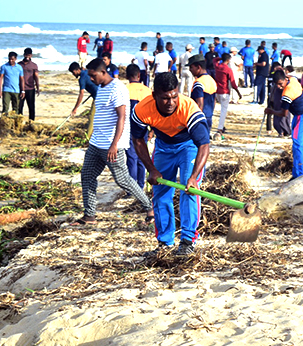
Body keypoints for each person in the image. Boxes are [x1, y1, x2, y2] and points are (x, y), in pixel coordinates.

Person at [131, 72, 210, 256]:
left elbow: (204, 145)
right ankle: (165, 243)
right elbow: (138, 141)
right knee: (160, 194)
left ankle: (187, 241)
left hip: (189, 147)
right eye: (165, 98)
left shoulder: (189, 109)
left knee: (188, 189)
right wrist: (151, 170)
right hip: (163, 147)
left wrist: (192, 177)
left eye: (174, 96)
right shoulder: (142, 110)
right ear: (154, 95)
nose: (171, 102)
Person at [76, 59, 153, 225]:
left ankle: (149, 207)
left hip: (112, 145)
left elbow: (122, 117)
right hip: (97, 143)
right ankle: (89, 215)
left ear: (103, 72)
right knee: (87, 176)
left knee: (123, 179)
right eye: (89, 76)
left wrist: (115, 144)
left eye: (93, 75)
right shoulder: (101, 87)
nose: (90, 79)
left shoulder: (117, 88)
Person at [265, 69, 303, 179]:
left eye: (280, 84)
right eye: (277, 84)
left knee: (297, 143)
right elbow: (293, 77)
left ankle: (302, 172)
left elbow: (284, 113)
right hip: (298, 116)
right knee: (295, 143)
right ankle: (296, 172)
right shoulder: (293, 79)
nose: (279, 87)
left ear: (285, 80)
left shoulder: (287, 93)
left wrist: (271, 111)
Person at [124, 64, 152, 193]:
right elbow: (153, 111)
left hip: (128, 128)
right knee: (142, 156)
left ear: (127, 76)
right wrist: (152, 130)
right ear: (139, 76)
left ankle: (132, 189)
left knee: (131, 158)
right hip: (143, 127)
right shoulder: (147, 90)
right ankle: (140, 186)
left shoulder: (124, 90)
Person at [214, 53, 242, 136]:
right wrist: (238, 93)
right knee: (223, 111)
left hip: (217, 91)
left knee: (219, 109)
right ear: (228, 60)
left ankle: (221, 126)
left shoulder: (217, 66)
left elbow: (214, 60)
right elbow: (233, 83)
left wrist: (220, 58)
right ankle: (220, 128)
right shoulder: (228, 69)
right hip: (225, 91)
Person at [69, 62, 98, 139]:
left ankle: (88, 137)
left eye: (73, 72)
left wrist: (75, 108)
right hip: (98, 93)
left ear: (77, 70)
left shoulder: (82, 79)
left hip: (98, 96)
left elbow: (81, 94)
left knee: (92, 115)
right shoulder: (86, 72)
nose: (73, 74)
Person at [189, 54, 217, 131]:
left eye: (191, 67)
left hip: (199, 118)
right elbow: (214, 101)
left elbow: (199, 104)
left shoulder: (199, 82)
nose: (190, 70)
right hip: (209, 116)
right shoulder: (212, 80)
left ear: (198, 67)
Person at [18, 48, 39, 120]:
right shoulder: (19, 65)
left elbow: (36, 77)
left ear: (31, 55)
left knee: (31, 107)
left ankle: (31, 122)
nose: (27, 56)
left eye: (29, 55)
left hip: (30, 88)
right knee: (19, 107)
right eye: (26, 54)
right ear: (24, 54)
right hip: (20, 88)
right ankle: (19, 122)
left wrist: (38, 88)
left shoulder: (34, 65)